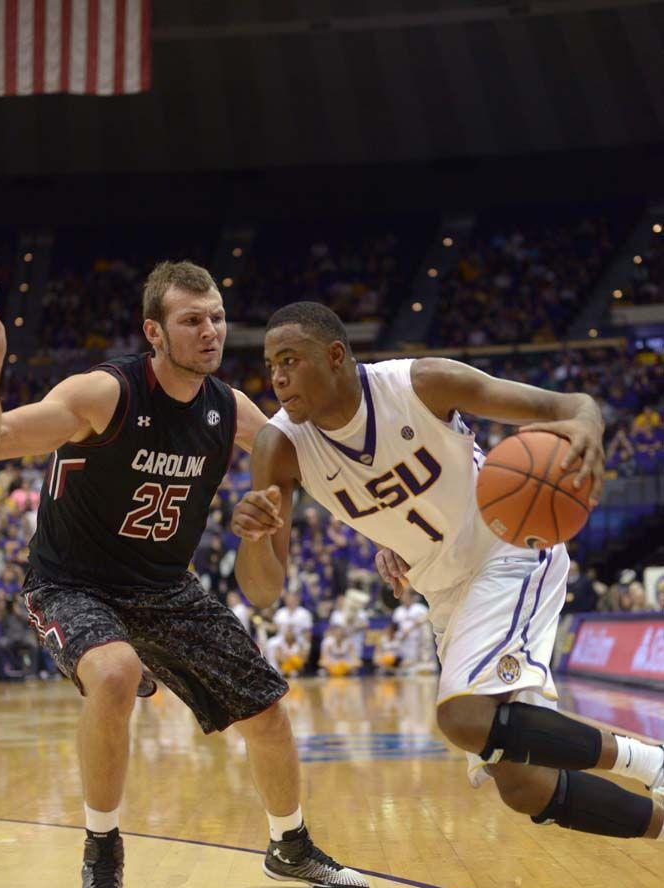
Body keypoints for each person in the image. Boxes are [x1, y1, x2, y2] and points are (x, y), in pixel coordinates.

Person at [0, 272, 367, 888]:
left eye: (217, 318)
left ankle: (290, 844)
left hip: (164, 587)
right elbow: (1, 439)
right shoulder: (104, 394)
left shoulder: (228, 411)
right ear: (154, 332)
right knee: (115, 672)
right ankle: (102, 851)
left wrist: (384, 534)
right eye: (193, 320)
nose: (211, 332)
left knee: (270, 712)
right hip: (71, 582)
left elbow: (322, 466)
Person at [232, 300, 664, 847]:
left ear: (335, 355)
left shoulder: (420, 383)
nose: (277, 376)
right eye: (271, 364)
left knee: (463, 717)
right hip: (443, 591)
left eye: (290, 359)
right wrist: (252, 538)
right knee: (523, 784)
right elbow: (264, 591)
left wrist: (588, 429)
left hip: (507, 551)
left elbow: (571, 404)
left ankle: (653, 762)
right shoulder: (279, 446)